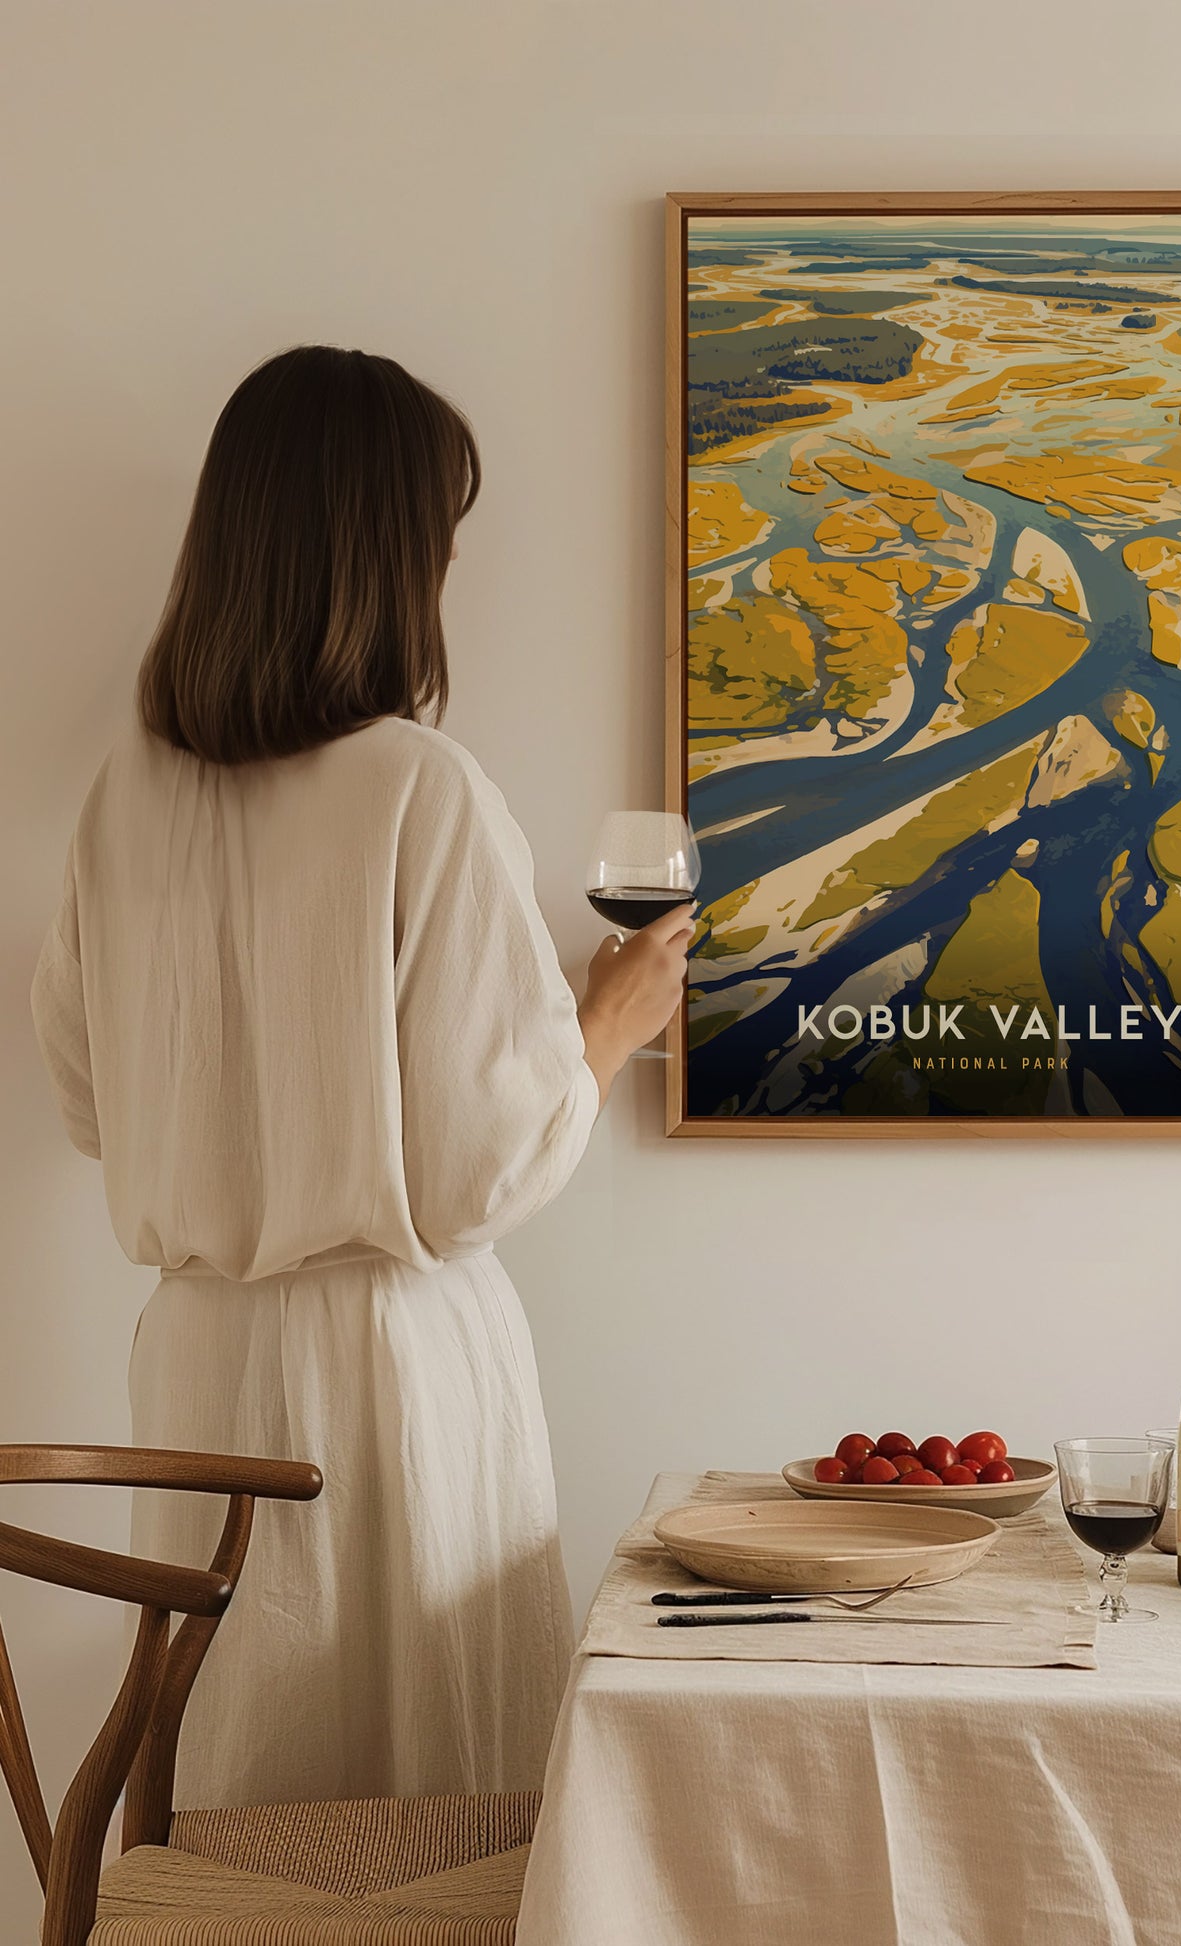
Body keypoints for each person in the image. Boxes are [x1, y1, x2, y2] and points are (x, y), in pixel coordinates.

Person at [29, 345, 690, 1806]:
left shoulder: (122, 797)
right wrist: (606, 1020)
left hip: (197, 1360)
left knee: (241, 1789)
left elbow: (87, 1101)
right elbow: (474, 1173)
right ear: (387, 556)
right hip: (391, 1371)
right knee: (424, 1809)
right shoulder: (417, 785)